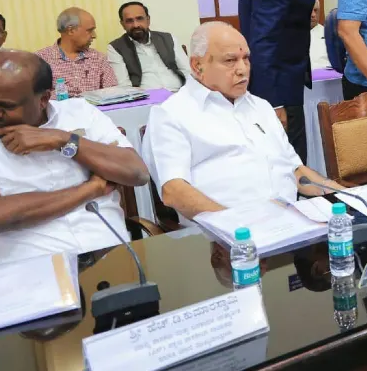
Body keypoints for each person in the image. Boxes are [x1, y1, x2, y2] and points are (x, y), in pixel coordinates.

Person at [143, 22, 341, 222]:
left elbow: (296, 171)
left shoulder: (261, 106)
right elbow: (174, 191)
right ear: (197, 65)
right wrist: (238, 226)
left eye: (246, 58)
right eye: (230, 60)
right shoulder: (171, 114)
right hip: (226, 240)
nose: (242, 69)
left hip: (291, 226)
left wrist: (350, 198)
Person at [0, 50, 149, 263]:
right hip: (29, 268)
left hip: (109, 255)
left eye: (6, 106)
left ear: (43, 99)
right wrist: (90, 189)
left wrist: (62, 141)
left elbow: (136, 173)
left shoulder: (79, 112)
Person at [239, 0, 323, 164]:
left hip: (287, 83)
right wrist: (273, 104)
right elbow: (264, 41)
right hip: (278, 91)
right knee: (289, 167)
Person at [106, 2, 192, 92]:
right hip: (147, 99)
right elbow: (124, 85)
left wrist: (188, 93)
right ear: (122, 24)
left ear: (148, 20)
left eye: (140, 19)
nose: (136, 25)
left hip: (179, 93)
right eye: (129, 21)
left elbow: (187, 71)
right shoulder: (116, 48)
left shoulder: (168, 38)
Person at [36, 8, 117, 97]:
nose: (94, 35)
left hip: (93, 110)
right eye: (90, 30)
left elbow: (113, 94)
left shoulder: (99, 58)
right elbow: (36, 98)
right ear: (71, 31)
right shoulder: (41, 60)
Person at [309, 0, 328, 69]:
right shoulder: (288, 35)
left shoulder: (328, 34)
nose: (313, 15)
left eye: (316, 10)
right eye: (310, 10)